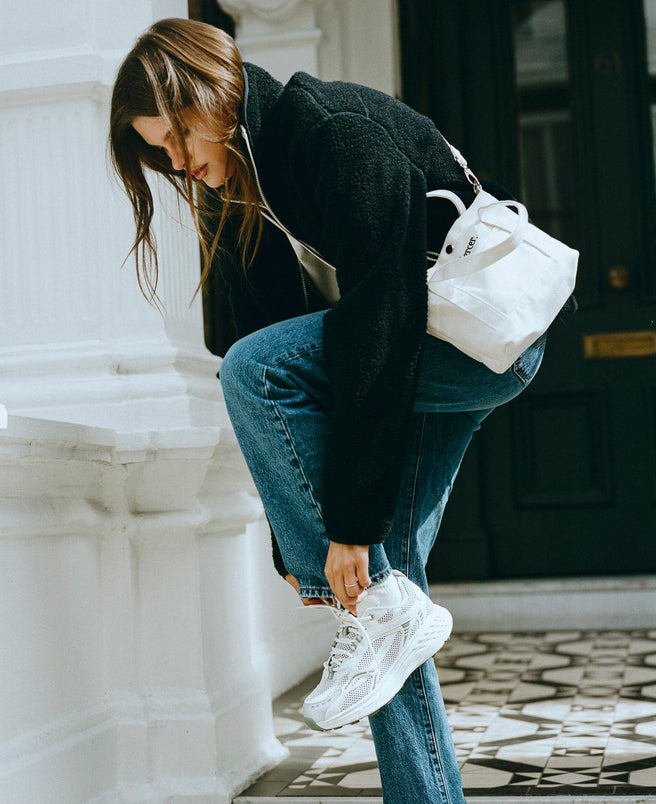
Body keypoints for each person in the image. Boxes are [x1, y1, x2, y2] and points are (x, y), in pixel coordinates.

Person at [110, 18, 546, 803]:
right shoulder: (252, 184)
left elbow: (374, 331)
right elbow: (294, 385)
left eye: (174, 133)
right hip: (429, 348)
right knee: (385, 596)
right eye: (156, 150)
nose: (172, 159)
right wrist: (311, 544)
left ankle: (364, 591)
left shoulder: (329, 136)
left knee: (254, 372)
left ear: (211, 91)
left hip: (484, 340)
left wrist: (341, 529)